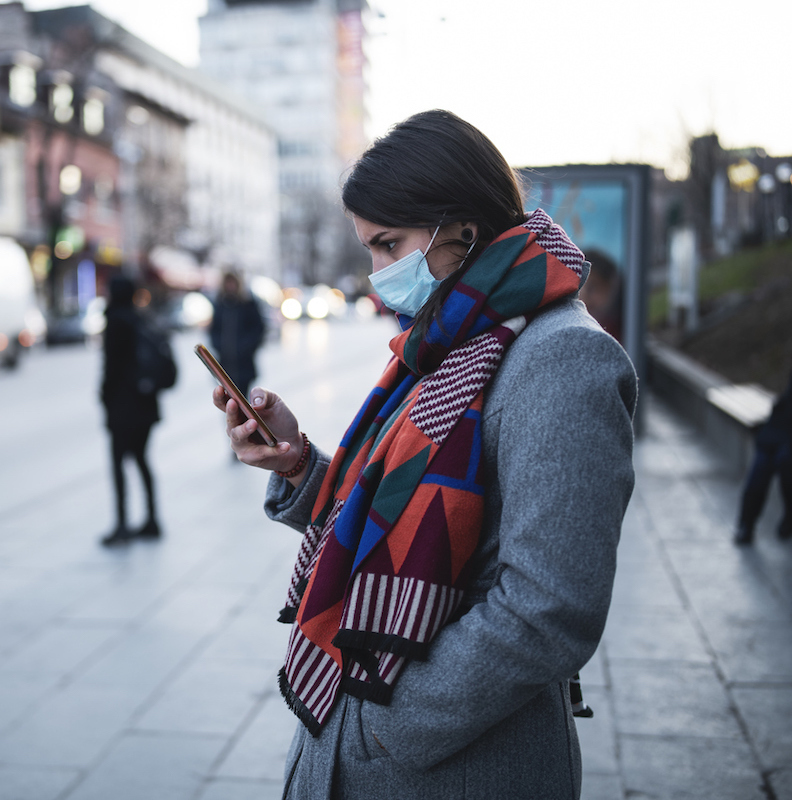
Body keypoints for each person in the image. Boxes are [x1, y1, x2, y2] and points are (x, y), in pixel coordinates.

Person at [210, 110, 637, 798]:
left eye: (388, 245)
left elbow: (551, 607)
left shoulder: (562, 358)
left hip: (455, 765)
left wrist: (389, 721)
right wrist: (297, 463)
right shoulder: (449, 339)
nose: (378, 273)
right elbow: (396, 512)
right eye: (369, 250)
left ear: (462, 232)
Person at [100, 275, 161, 546]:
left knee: (118, 463)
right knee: (141, 459)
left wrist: (104, 397)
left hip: (123, 406)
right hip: (146, 403)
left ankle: (122, 524)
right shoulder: (142, 318)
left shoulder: (115, 320)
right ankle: (152, 519)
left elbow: (111, 368)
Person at [734, 369, 792, 544]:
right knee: (760, 470)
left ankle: (789, 517)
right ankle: (746, 525)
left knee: (785, 461)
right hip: (776, 431)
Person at [209, 271, 267, 408]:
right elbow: (213, 331)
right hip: (225, 364)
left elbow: (258, 330)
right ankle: (232, 428)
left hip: (244, 364)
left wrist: (245, 347)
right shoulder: (219, 305)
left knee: (243, 402)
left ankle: (245, 428)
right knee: (228, 404)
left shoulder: (248, 304)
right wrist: (220, 347)